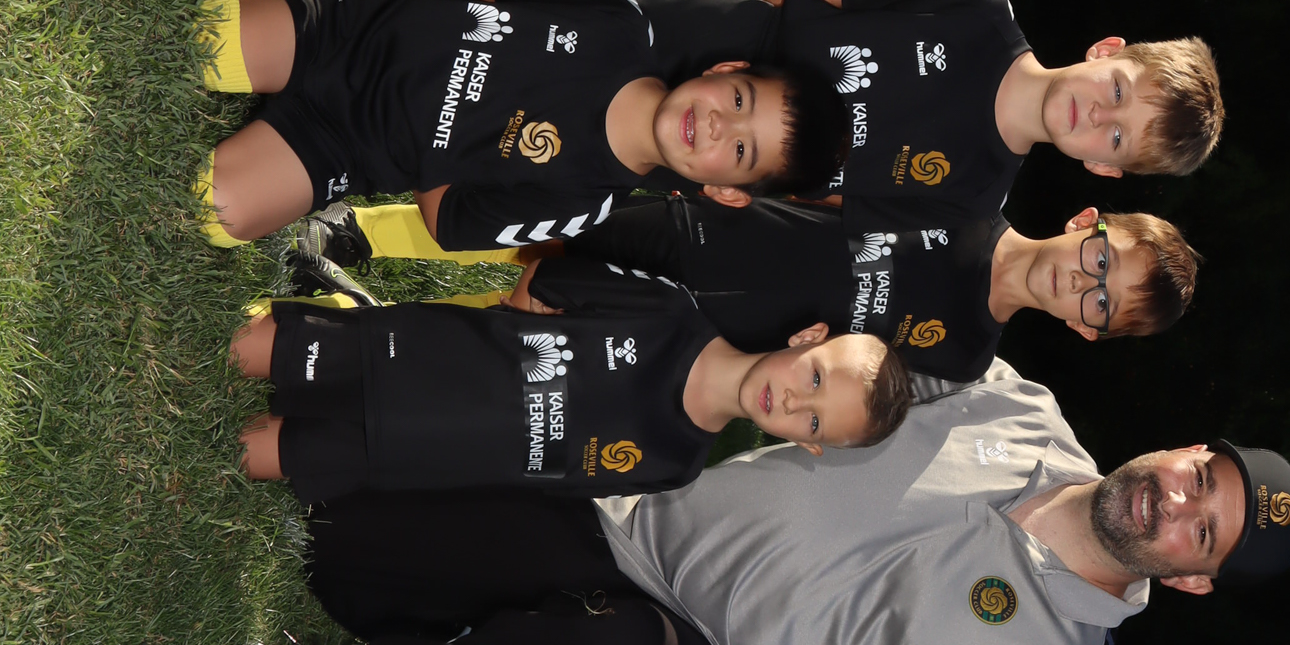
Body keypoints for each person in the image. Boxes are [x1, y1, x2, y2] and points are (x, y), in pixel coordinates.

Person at [237, 361, 1290, 645]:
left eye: (1201, 528)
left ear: (1193, 578)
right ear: (1182, 447)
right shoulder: (1017, 405)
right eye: (1198, 475)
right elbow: (867, 350)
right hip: (638, 525)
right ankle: (443, 617)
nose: (1176, 500)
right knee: (343, 546)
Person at [195, 0, 844, 251]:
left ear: (725, 191)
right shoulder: (622, 24)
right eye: (739, 101)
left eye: (740, 150)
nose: (720, 125)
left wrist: (425, 134)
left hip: (342, 147)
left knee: (213, 211)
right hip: (348, 34)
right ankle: (268, 30)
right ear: (726, 71)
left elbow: (447, 218)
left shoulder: (584, 201)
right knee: (204, 46)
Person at [303, 189, 1200, 381]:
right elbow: (836, 186)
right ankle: (358, 231)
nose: (1079, 280)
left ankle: (343, 322)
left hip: (698, 334)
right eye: (1100, 259)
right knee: (541, 228)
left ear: (1087, 330)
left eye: (1098, 300)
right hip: (715, 231)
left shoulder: (962, 355)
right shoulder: (968, 194)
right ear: (1087, 221)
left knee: (533, 320)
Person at [229, 256, 909, 498]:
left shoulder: (674, 466)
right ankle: (328, 319)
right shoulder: (671, 313)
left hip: (408, 455)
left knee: (239, 455)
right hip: (403, 354)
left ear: (806, 444)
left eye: (813, 418)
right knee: (234, 350)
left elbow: (544, 482)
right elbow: (548, 279)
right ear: (807, 338)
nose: (790, 399)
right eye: (813, 377)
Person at [756, 0, 1224, 217]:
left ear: (1103, 166)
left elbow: (832, 201)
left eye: (1118, 137)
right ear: (1105, 51)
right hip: (730, 46)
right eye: (1118, 92)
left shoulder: (972, 200)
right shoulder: (981, 8)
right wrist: (739, 25)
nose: (1100, 114)